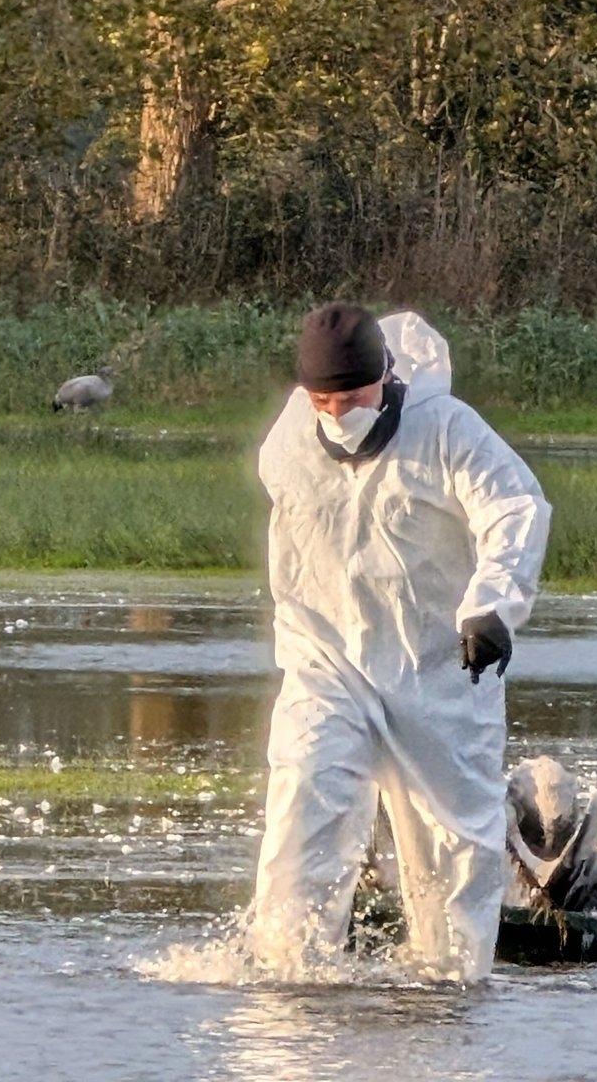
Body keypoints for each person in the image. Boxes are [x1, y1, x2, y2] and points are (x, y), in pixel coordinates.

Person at [246, 302, 551, 980]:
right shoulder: (290, 439)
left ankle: (446, 996)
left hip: (438, 674)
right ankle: (288, 986)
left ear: (383, 377)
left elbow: (514, 508)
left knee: (452, 851)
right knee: (301, 809)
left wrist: (492, 608)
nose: (337, 412)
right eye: (321, 398)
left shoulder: (447, 431)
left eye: (350, 396)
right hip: (326, 665)